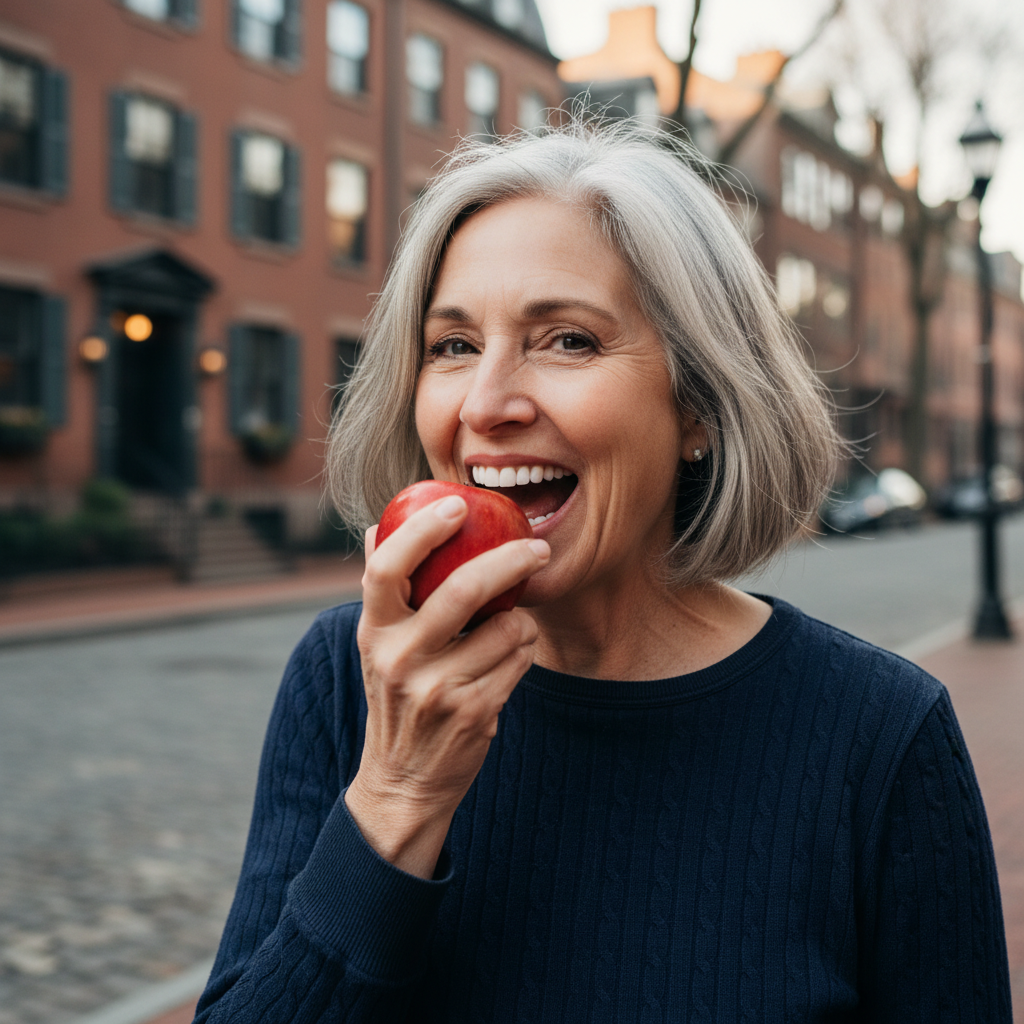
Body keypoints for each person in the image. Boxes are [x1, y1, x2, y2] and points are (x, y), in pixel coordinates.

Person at [195, 120, 1011, 1023]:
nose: (487, 404)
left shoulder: (879, 735)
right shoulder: (349, 681)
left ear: (698, 404)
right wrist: (397, 797)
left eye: (567, 340)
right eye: (453, 346)